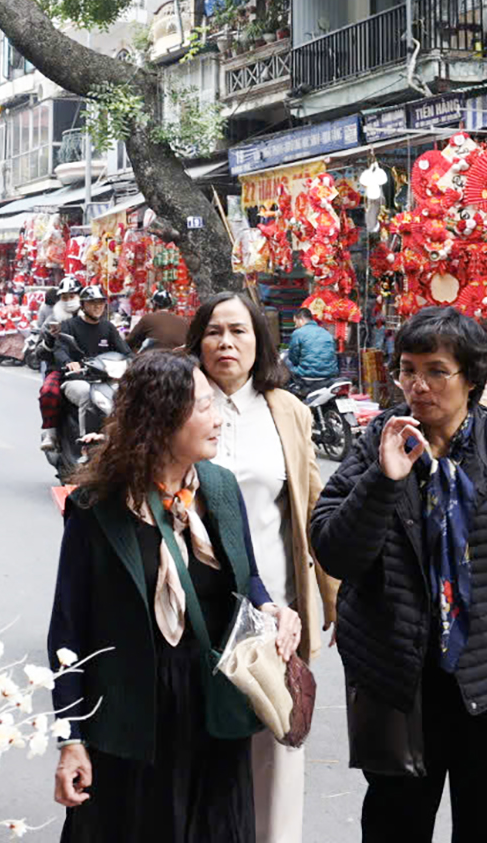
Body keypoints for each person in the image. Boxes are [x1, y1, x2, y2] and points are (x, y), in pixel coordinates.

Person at [309, 305, 487, 843]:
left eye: (436, 370)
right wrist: (383, 481)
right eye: (408, 370)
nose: (418, 385)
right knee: (395, 826)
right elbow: (335, 553)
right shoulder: (375, 447)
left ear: (472, 377)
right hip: (399, 686)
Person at [48, 350, 302, 842]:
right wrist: (71, 739)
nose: (217, 418)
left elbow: (245, 578)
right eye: (203, 406)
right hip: (128, 719)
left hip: (211, 713)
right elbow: (68, 631)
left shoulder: (221, 489)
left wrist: (272, 608)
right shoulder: (95, 508)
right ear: (162, 416)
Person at [187, 292, 338, 843]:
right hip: (193, 609)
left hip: (275, 609)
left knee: (276, 741)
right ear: (197, 342)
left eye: (239, 331)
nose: (226, 342)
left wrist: (332, 598)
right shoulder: (179, 402)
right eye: (214, 332)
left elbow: (314, 508)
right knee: (203, 748)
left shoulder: (287, 412)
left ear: (259, 342)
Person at [40, 284, 128, 451]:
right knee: (87, 396)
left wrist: (134, 362)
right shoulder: (68, 326)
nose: (97, 307)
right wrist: (69, 363)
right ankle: (86, 447)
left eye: (100, 303)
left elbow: (125, 351)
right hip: (77, 379)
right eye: (92, 303)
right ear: (83, 305)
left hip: (104, 379)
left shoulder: (108, 327)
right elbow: (60, 350)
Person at [283, 308, 338, 386]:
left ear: (301, 320)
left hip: (307, 374)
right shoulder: (326, 332)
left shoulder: (298, 333)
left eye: (295, 322)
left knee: (285, 358)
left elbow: (293, 358)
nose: (295, 326)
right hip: (329, 374)